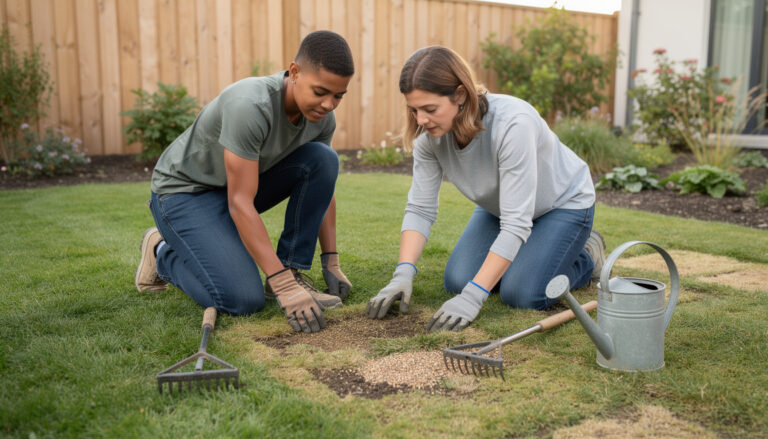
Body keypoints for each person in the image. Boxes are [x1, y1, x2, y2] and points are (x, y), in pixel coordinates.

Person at [366, 46, 606, 331]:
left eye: (430, 109)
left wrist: (474, 296)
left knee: (522, 293)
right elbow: (420, 208)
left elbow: (517, 223)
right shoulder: (429, 138)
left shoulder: (512, 124)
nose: (420, 120)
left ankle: (587, 255)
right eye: (414, 110)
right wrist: (402, 273)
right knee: (457, 281)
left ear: (460, 95)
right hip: (502, 208)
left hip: (563, 204)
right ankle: (531, 256)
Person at [134, 30, 354, 334]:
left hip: (233, 189)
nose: (329, 104)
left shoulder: (320, 119)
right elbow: (240, 203)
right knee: (241, 300)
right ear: (294, 72)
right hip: (184, 194)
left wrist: (331, 261)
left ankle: (292, 270)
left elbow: (323, 185)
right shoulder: (250, 105)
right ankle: (161, 252)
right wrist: (283, 288)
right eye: (320, 92)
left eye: (338, 96)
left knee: (324, 159)